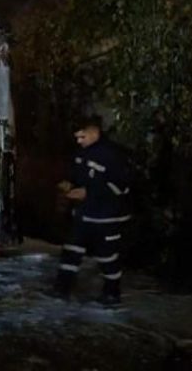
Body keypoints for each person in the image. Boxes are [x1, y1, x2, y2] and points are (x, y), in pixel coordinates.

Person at [53, 115, 132, 306]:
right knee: (71, 251)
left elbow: (122, 187)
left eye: (82, 137)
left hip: (108, 217)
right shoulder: (81, 154)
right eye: (77, 138)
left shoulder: (113, 155)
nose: (79, 142)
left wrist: (89, 193)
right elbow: (75, 175)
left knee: (107, 256)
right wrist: (67, 184)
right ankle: (62, 289)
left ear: (94, 132)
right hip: (83, 215)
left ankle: (112, 294)